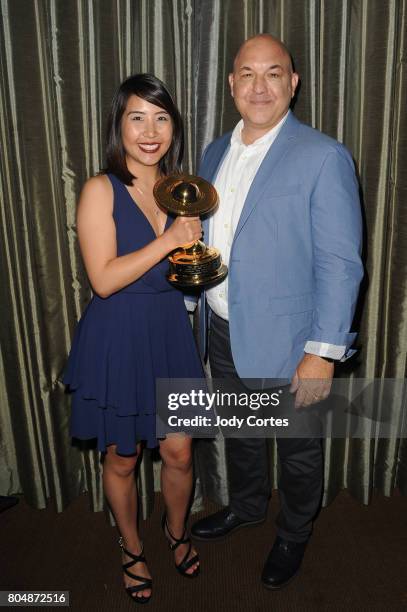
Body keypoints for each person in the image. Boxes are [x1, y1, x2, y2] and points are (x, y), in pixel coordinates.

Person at [191, 34, 364, 589]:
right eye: (247, 73)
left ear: (293, 83)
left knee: (296, 446)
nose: (259, 86)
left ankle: (294, 531)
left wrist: (322, 353)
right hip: (221, 326)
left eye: (273, 73)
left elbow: (341, 264)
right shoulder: (212, 153)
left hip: (291, 340)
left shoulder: (323, 155)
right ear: (231, 85)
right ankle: (246, 506)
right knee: (240, 432)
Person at [63, 73, 203, 604]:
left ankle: (175, 531)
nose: (150, 131)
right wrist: (169, 239)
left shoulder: (179, 188)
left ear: (174, 127)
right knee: (124, 456)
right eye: (137, 117)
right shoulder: (100, 188)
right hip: (120, 334)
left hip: (169, 330)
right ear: (118, 125)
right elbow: (102, 278)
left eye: (162, 117)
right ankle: (130, 547)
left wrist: (194, 261)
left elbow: (180, 268)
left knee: (181, 452)